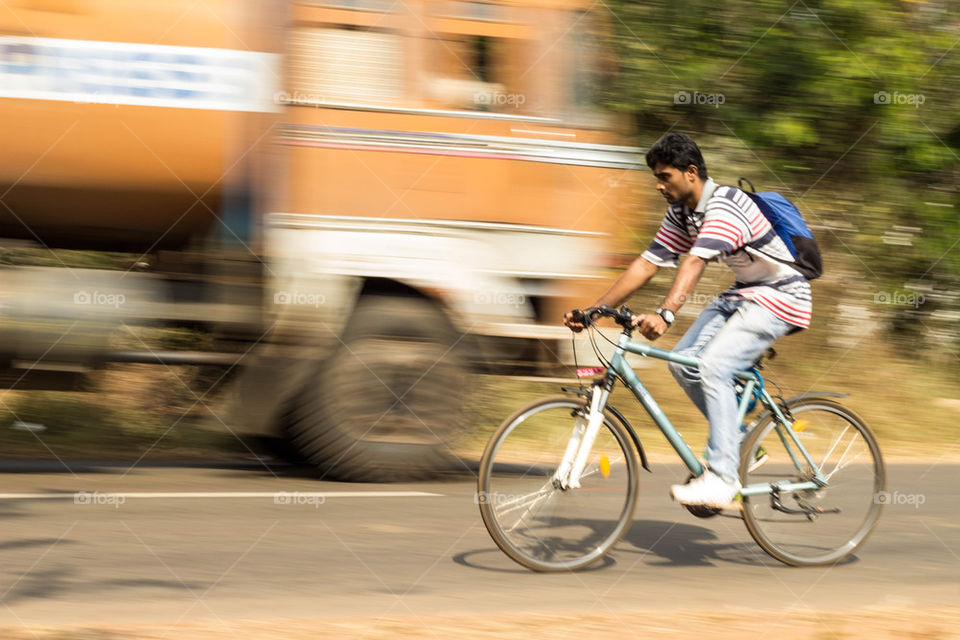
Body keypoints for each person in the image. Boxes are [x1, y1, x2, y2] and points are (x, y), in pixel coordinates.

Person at [563, 132, 811, 508]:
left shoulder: (726, 205)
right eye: (657, 179)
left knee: (714, 367)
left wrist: (666, 313)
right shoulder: (682, 212)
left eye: (665, 177)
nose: (660, 186)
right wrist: (594, 309)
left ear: (691, 172)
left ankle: (723, 477)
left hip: (782, 296)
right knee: (686, 365)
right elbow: (648, 263)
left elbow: (694, 261)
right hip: (744, 293)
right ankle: (741, 442)